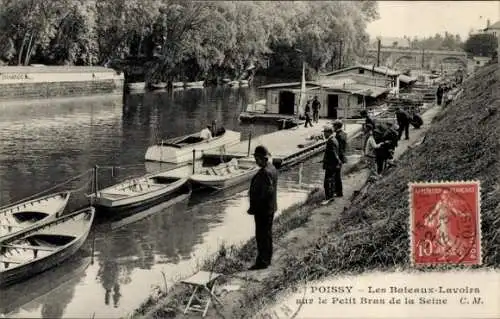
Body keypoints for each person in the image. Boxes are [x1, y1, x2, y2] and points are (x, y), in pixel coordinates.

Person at [247, 145, 278, 270]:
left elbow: (267, 192)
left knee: (261, 235)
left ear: (263, 158)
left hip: (263, 210)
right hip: (269, 208)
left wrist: (255, 205)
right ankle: (267, 259)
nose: (256, 161)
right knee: (267, 234)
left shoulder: (265, 172)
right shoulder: (272, 168)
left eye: (257, 159)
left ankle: (262, 262)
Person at [321, 125, 341, 205]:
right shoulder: (334, 139)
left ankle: (328, 198)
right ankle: (330, 197)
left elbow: (334, 153)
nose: (324, 135)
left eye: (325, 133)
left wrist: (337, 161)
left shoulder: (331, 141)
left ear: (329, 132)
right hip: (332, 164)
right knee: (331, 181)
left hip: (331, 165)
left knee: (327, 182)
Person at [333, 120, 347, 197]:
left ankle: (338, 192)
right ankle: (337, 191)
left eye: (334, 126)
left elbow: (339, 148)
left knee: (337, 176)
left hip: (338, 158)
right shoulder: (344, 133)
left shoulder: (338, 135)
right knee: (337, 175)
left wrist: (337, 159)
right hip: (341, 157)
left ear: (336, 126)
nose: (333, 127)